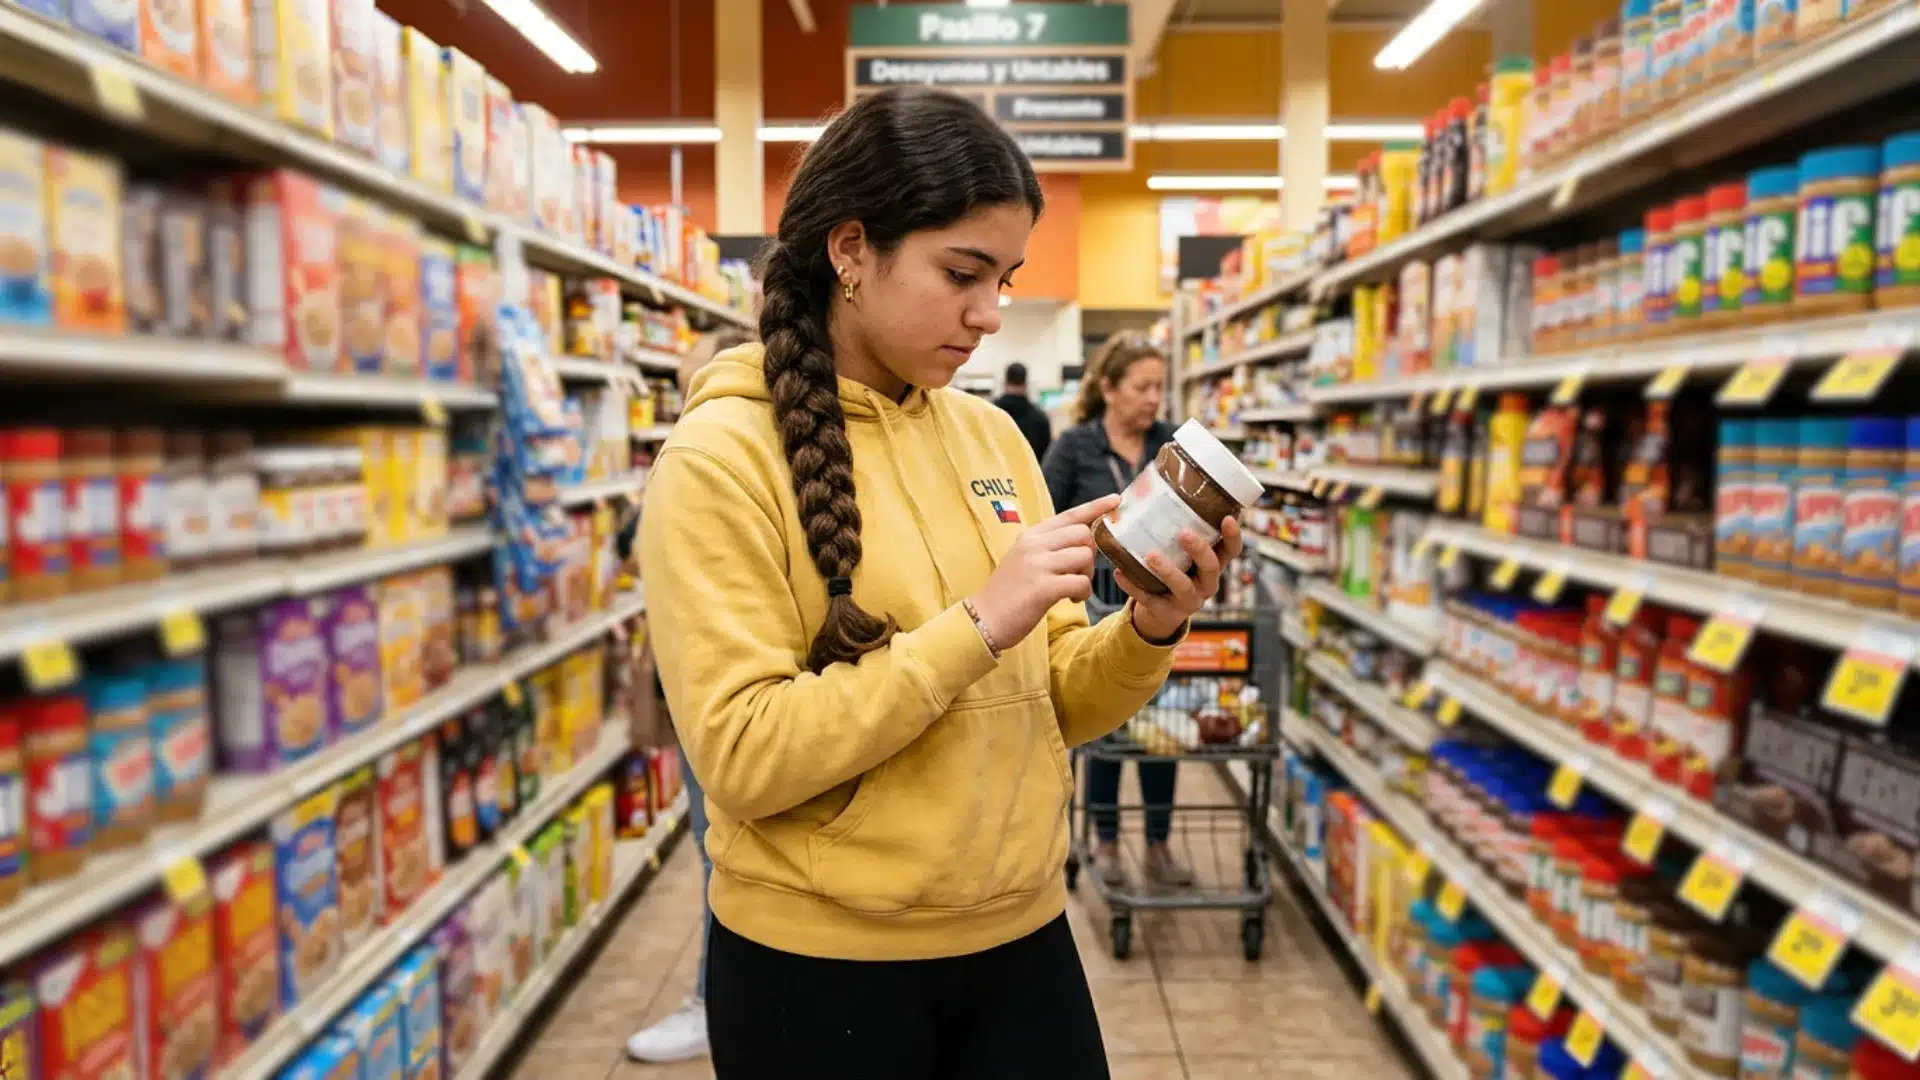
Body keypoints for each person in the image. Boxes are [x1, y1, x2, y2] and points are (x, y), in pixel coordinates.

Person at [640, 86, 1240, 1078]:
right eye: (963, 273)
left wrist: (1146, 630)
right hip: (818, 967)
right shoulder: (719, 459)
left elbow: (1054, 701)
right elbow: (742, 756)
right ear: (850, 249)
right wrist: (979, 621)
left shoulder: (992, 435)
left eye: (1006, 278)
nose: (991, 314)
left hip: (1021, 935)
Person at [621, 326, 756, 1065]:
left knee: (722, 856)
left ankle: (714, 999)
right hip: (705, 693)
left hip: (723, 703)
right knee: (718, 853)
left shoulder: (710, 457)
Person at [1041, 332, 1192, 890]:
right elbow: (1043, 518)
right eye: (1142, 386)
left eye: (1160, 387)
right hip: (1096, 609)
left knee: (1163, 734)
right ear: (1108, 389)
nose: (1154, 398)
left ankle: (1158, 843)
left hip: (1160, 614)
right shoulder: (1074, 448)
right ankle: (1105, 842)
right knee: (1104, 734)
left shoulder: (1172, 447)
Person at [992, 361, 1052, 463]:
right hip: (1028, 475)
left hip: (994, 475)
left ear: (1005, 383)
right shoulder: (1039, 417)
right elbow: (1045, 456)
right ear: (1025, 384)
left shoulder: (989, 411)